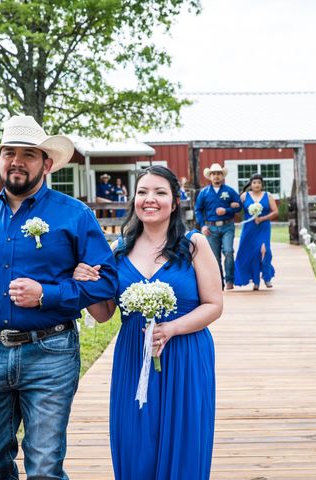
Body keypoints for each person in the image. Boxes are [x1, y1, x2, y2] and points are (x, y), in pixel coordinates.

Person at [0, 115, 118, 479]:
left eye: (29, 154)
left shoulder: (75, 215)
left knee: (44, 468)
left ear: (47, 163)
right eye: (9, 152)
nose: (17, 161)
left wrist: (47, 295)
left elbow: (105, 284)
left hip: (50, 354)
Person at [73, 165, 222, 479]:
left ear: (175, 200)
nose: (149, 199)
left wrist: (171, 328)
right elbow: (104, 314)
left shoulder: (194, 244)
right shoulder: (117, 251)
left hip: (186, 354)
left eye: (160, 192)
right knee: (136, 437)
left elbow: (214, 305)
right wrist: (85, 285)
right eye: (142, 192)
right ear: (133, 199)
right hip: (133, 354)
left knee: (185, 437)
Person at [194, 163, 242, 290]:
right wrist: (203, 226)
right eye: (214, 174)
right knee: (214, 257)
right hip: (211, 229)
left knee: (229, 252)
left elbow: (239, 206)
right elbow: (198, 210)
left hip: (227, 226)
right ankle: (218, 282)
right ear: (210, 177)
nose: (216, 176)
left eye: (219, 174)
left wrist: (226, 210)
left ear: (223, 176)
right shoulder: (204, 193)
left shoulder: (229, 191)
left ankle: (230, 281)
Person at [234, 173, 278, 290]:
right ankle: (256, 281)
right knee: (253, 253)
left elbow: (275, 212)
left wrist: (262, 218)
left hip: (263, 227)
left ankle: (266, 276)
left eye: (259, 182)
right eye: (254, 182)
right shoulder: (244, 196)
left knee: (265, 251)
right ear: (251, 184)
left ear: (262, 184)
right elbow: (237, 208)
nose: (256, 184)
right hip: (249, 228)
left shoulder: (267, 195)